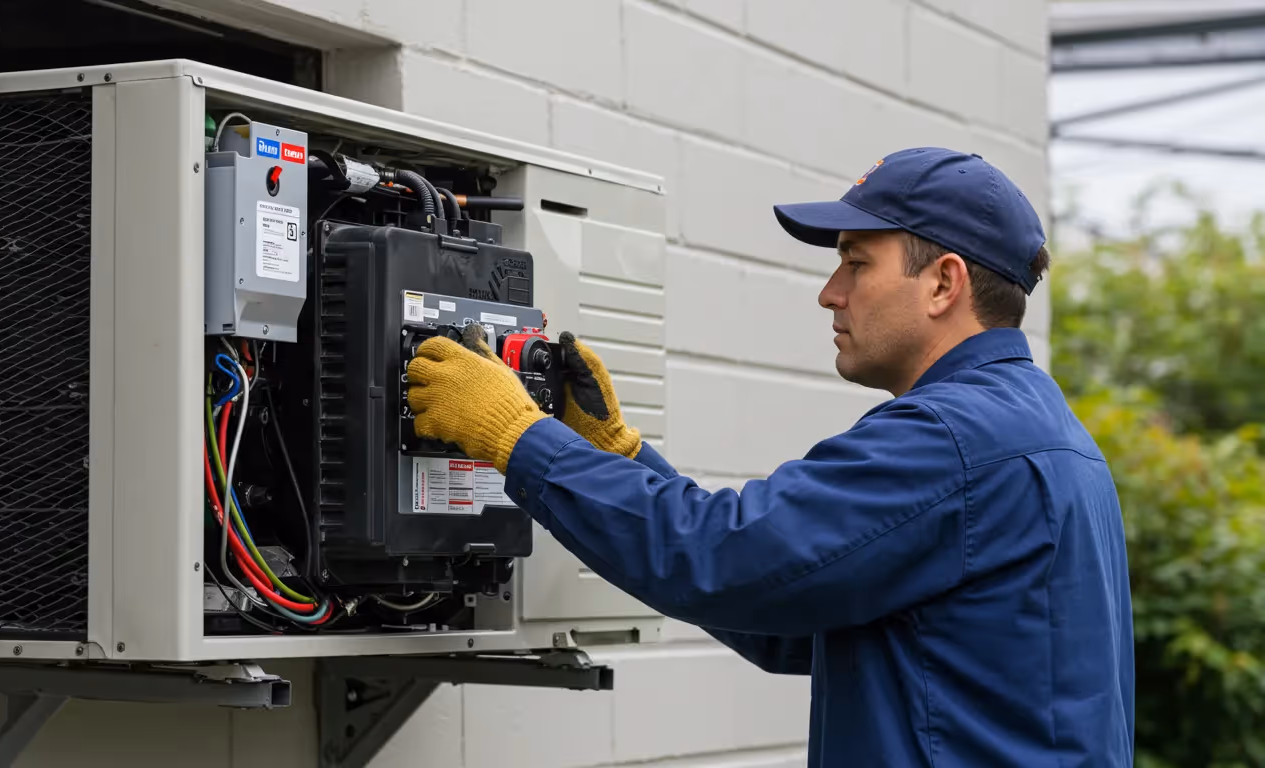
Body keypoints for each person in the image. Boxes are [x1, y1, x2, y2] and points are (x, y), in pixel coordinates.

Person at [405, 147, 1134, 767]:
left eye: (855, 263)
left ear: (944, 281)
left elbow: (725, 558)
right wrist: (620, 455)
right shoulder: (1042, 431)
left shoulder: (954, 438)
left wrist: (517, 436)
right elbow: (788, 618)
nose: (830, 293)